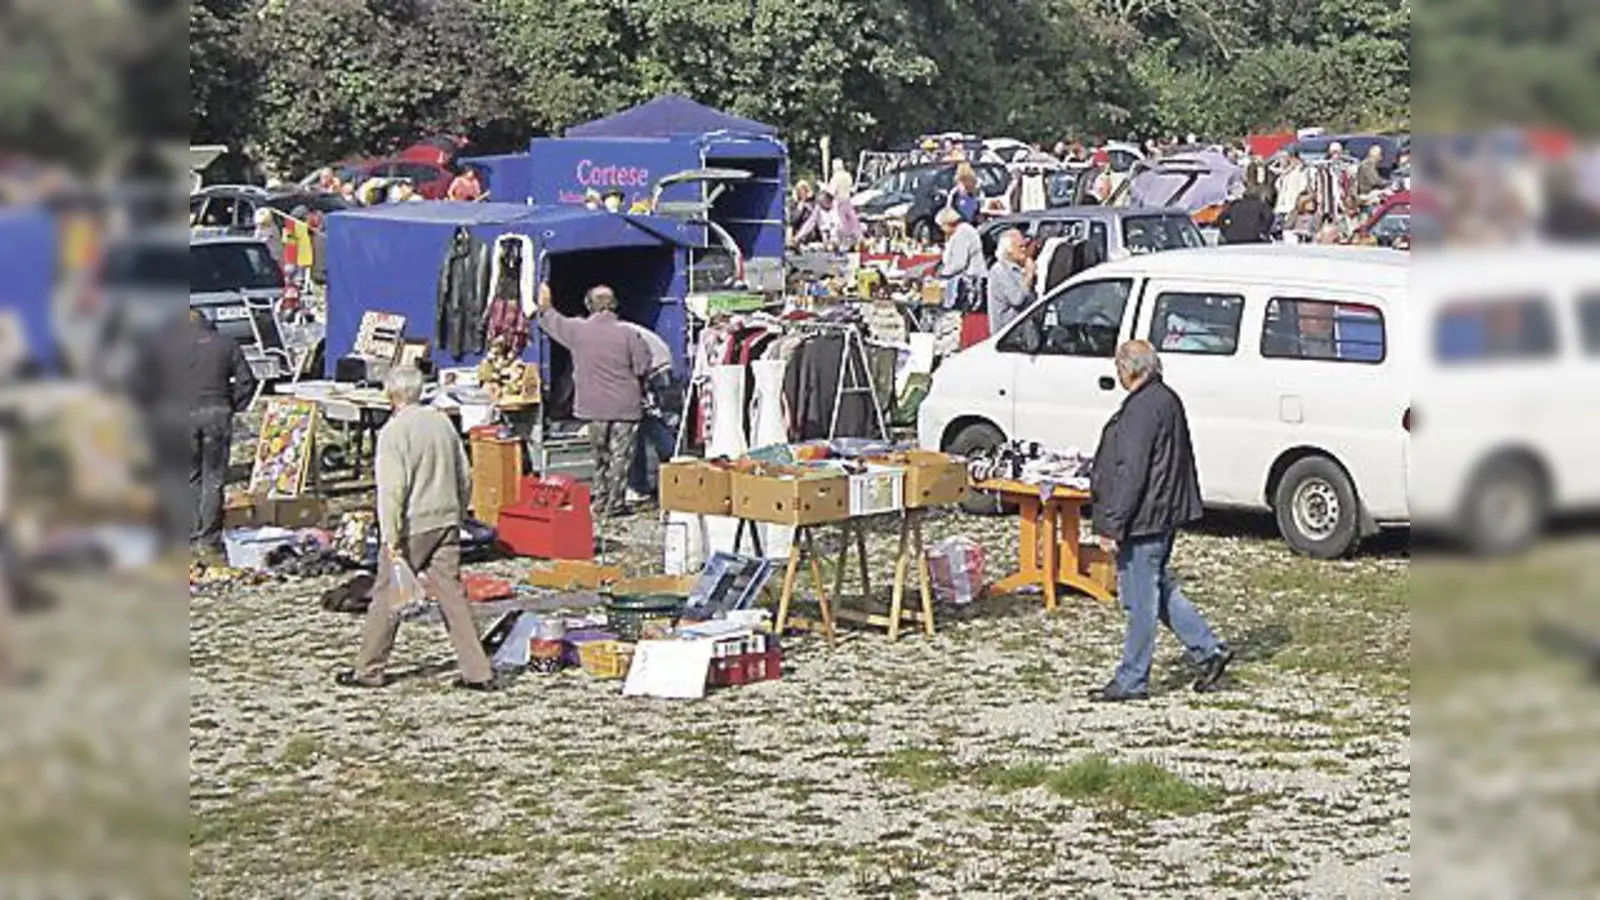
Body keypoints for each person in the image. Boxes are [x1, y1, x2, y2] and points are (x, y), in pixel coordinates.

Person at [337, 365, 499, 692]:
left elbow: (392, 490)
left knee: (386, 594)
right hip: (446, 519)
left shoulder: (394, 432)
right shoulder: (441, 422)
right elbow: (464, 473)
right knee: (453, 595)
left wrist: (390, 536)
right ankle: (478, 670)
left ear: (390, 394)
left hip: (414, 523)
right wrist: (458, 511)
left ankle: (368, 670)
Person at [1088, 340, 1232, 702]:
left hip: (1145, 517)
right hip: (1163, 512)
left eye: (1119, 368)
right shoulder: (1166, 399)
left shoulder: (1142, 409)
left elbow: (1131, 471)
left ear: (1130, 369)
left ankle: (1132, 678)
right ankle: (1209, 650)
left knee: (1140, 602)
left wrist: (1112, 524)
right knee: (1158, 589)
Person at [535, 283, 652, 517]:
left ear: (589, 305)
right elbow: (642, 366)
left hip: (594, 407)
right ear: (615, 305)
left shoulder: (578, 330)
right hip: (625, 406)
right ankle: (615, 503)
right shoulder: (628, 333)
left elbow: (550, 320)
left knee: (600, 456)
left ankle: (599, 500)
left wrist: (544, 300)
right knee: (621, 457)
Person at [184, 311, 257, 559]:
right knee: (213, 479)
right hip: (217, 413)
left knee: (191, 477)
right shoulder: (226, 344)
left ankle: (192, 535)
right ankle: (208, 538)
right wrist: (233, 405)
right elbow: (247, 381)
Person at [621, 322, 678, 504]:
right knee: (650, 425)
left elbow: (638, 365)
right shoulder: (625, 329)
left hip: (655, 371)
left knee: (647, 426)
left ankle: (642, 485)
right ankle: (675, 476)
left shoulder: (620, 334)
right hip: (660, 367)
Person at [985, 229, 1035, 334]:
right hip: (1007, 333)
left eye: (1024, 246)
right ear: (1009, 250)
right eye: (1020, 247)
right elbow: (1017, 299)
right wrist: (1029, 274)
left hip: (1022, 330)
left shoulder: (1017, 268)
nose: (1024, 250)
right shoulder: (1000, 270)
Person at [936, 207, 985, 278]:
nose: (941, 229)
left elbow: (958, 264)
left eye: (941, 225)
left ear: (948, 223)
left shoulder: (962, 233)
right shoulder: (958, 232)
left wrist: (943, 273)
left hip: (971, 277)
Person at [1273, 151, 1311, 229]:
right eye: (1279, 158)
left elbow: (1302, 188)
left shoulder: (1300, 172)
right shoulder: (1283, 174)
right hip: (1280, 208)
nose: (1281, 161)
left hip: (1291, 208)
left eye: (1283, 158)